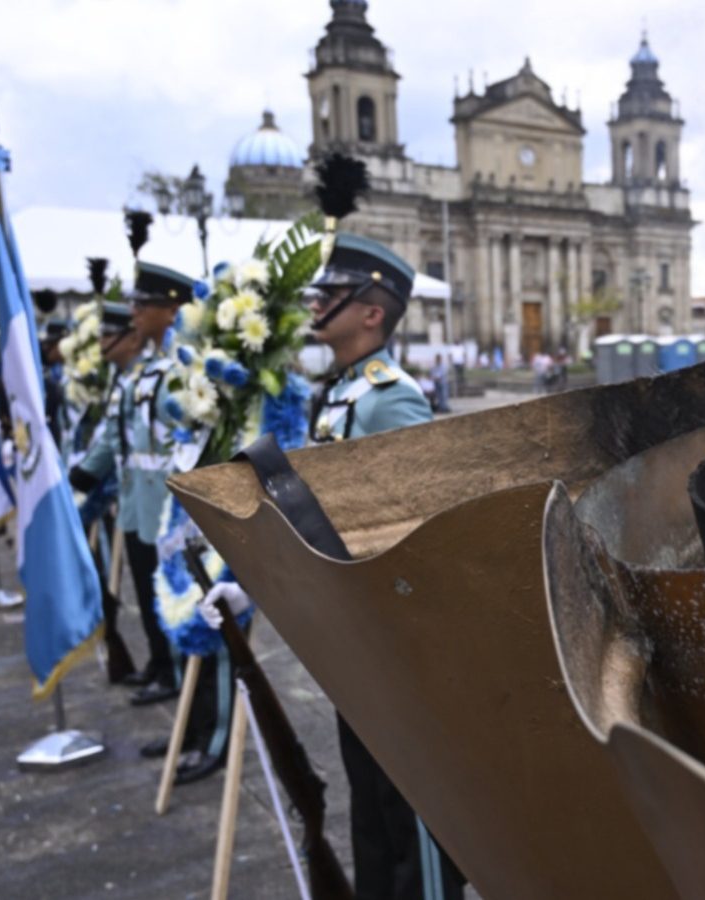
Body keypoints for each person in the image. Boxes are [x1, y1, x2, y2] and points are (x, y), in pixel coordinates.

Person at [265, 232, 463, 899]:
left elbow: (416, 526)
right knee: (371, 802)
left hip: (392, 638)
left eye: (331, 294)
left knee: (406, 809)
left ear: (371, 312)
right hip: (355, 633)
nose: (317, 303)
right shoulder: (346, 390)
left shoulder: (391, 398)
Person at [71, 264, 189, 706]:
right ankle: (160, 663)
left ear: (172, 309)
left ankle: (174, 668)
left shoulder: (181, 367)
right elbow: (115, 437)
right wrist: (78, 480)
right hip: (138, 502)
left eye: (143, 304)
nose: (134, 311)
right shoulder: (147, 371)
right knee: (146, 590)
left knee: (170, 595)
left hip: (167, 504)